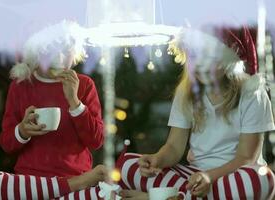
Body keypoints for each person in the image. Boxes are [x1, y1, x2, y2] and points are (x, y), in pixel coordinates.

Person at [117, 27, 275, 199]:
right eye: (193, 56)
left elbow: (246, 158)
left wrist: (209, 177)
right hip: (194, 175)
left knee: (261, 178)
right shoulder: (185, 93)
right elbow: (174, 147)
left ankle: (160, 197)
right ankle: (181, 196)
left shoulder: (252, 92)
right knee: (127, 165)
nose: (200, 64)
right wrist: (157, 159)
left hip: (234, 174)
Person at [0, 21, 105, 199]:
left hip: (76, 180)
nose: (59, 58)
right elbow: (7, 143)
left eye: (66, 49)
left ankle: (73, 185)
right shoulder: (20, 86)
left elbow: (96, 141)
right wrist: (22, 131)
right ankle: (69, 186)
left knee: (111, 193)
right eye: (50, 49)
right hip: (32, 185)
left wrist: (74, 101)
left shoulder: (84, 85)